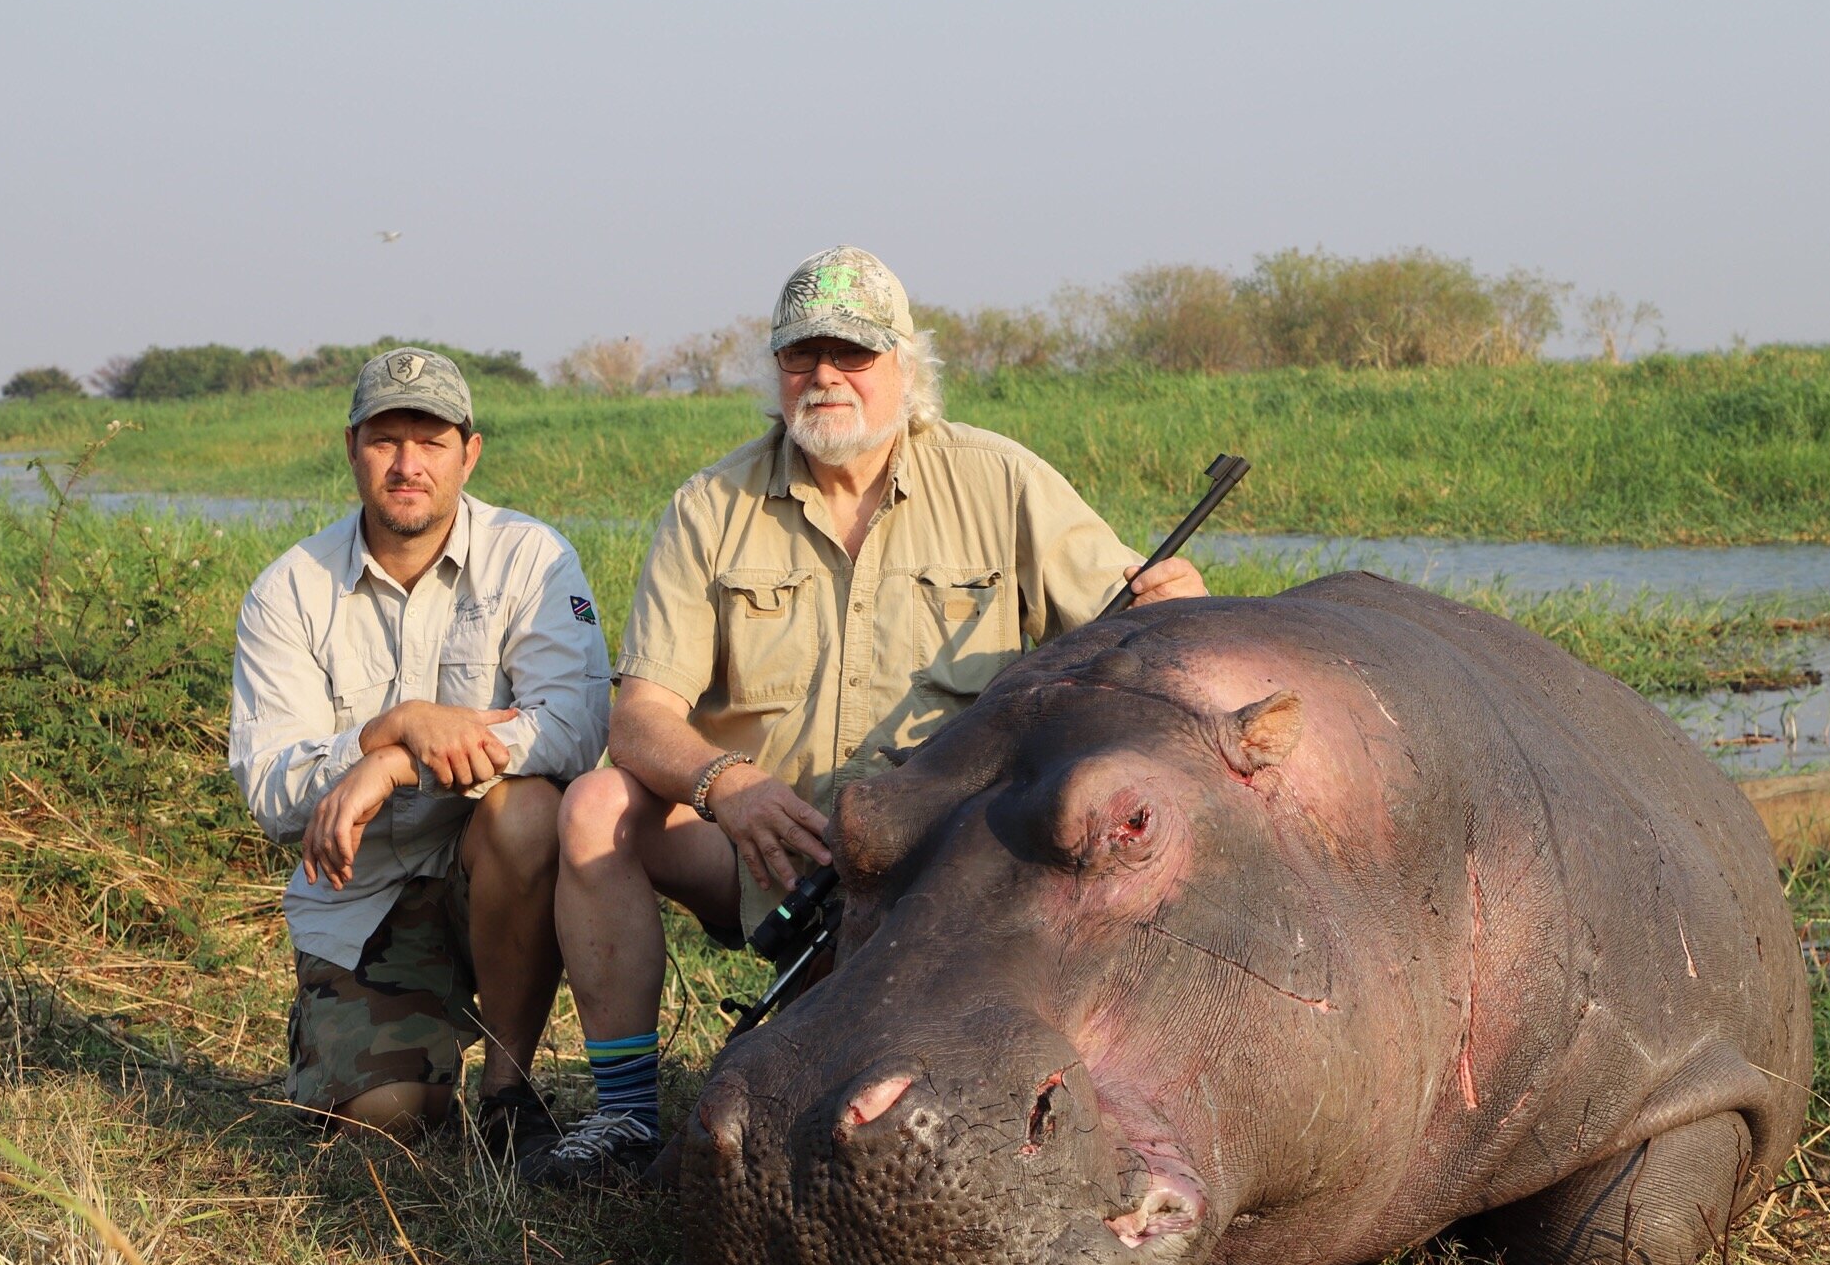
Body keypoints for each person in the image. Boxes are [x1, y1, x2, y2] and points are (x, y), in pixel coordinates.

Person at [549, 246, 1204, 1185]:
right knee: (592, 808)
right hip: (772, 853)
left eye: (852, 356)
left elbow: (1135, 621)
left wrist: (1174, 605)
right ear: (774, 372)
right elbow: (641, 715)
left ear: (907, 366)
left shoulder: (1002, 481)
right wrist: (725, 784)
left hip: (950, 864)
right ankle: (621, 1119)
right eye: (800, 357)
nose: (824, 378)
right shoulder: (708, 507)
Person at [230, 347, 611, 1166]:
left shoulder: (534, 558)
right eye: (385, 440)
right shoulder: (288, 589)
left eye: (432, 441)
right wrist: (387, 728)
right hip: (366, 895)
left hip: (495, 869)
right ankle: (395, 1043)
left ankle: (510, 1090)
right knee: (388, 1123)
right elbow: (268, 787)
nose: (408, 465)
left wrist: (400, 763)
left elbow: (576, 726)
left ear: (469, 452)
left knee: (531, 810)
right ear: (351, 448)